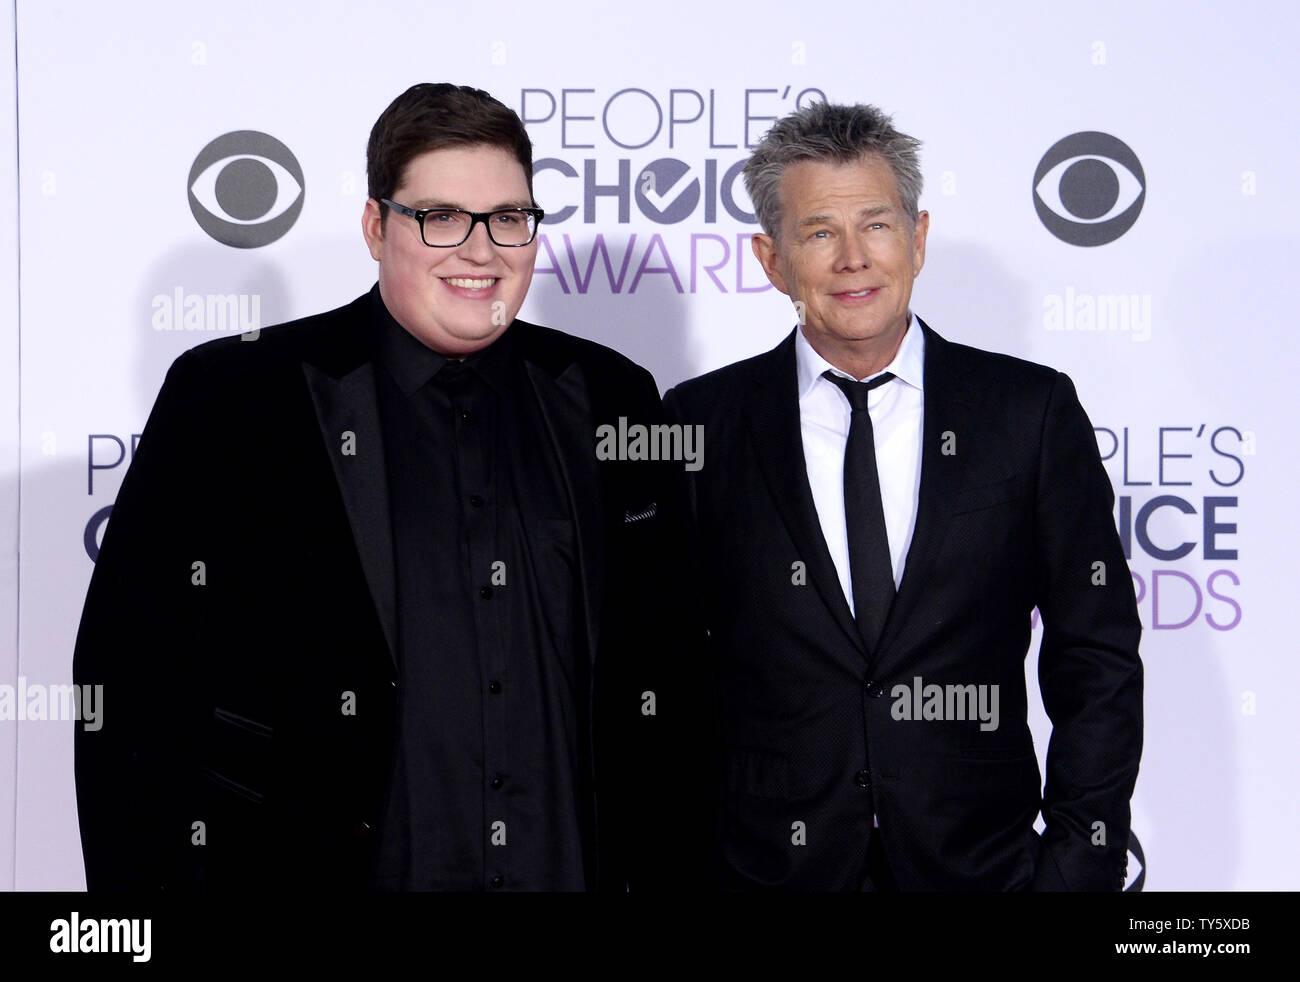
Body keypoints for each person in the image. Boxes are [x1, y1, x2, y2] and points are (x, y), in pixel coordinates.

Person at [73, 82, 696, 892]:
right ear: (377, 227)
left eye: (509, 218)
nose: (481, 251)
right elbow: (131, 683)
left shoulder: (613, 395)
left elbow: (675, 677)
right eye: (441, 217)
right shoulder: (233, 398)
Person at [664, 101, 1143, 891]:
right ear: (770, 258)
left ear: (917, 240)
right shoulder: (698, 422)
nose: (854, 259)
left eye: (877, 226)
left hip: (984, 871)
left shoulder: (1029, 412)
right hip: (765, 871)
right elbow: (664, 670)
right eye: (819, 233)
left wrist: (1079, 865)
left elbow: (1096, 656)